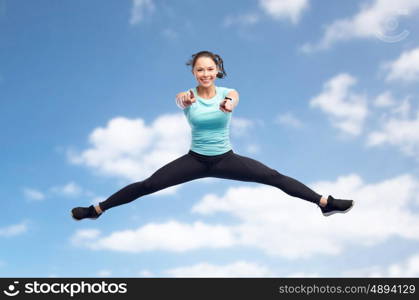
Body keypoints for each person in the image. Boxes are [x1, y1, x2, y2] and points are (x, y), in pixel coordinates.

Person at [71, 50, 354, 221]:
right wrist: (184, 101)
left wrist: (228, 105)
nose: (205, 73)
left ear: (217, 70)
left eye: (209, 69)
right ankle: (97, 209)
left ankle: (324, 204)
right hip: (194, 160)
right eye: (200, 70)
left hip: (225, 159)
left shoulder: (228, 93)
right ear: (194, 73)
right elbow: (179, 101)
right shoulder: (187, 96)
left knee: (273, 177)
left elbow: (234, 99)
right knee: (148, 185)